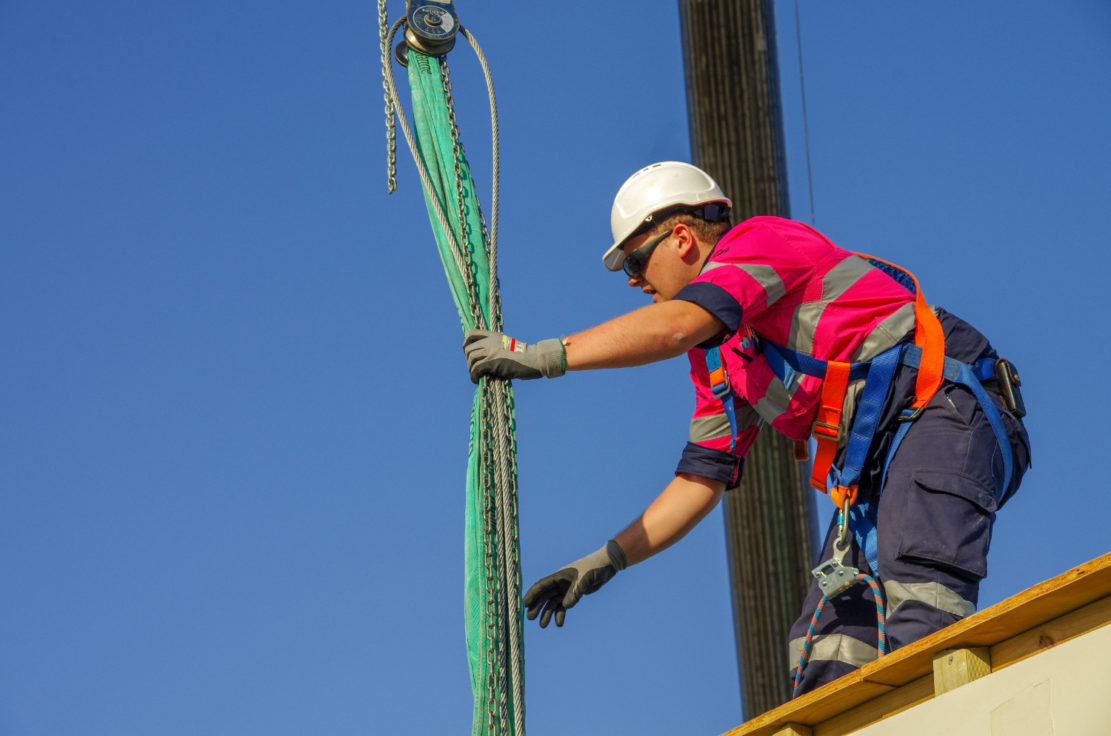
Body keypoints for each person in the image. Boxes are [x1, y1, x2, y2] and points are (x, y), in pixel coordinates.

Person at [463, 161, 1030, 695]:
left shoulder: (760, 244)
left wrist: (540, 356)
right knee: (827, 644)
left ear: (682, 238)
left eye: (636, 262)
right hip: (879, 460)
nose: (634, 282)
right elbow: (699, 480)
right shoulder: (719, 356)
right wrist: (606, 559)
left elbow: (674, 325)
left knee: (916, 600)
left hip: (944, 407)